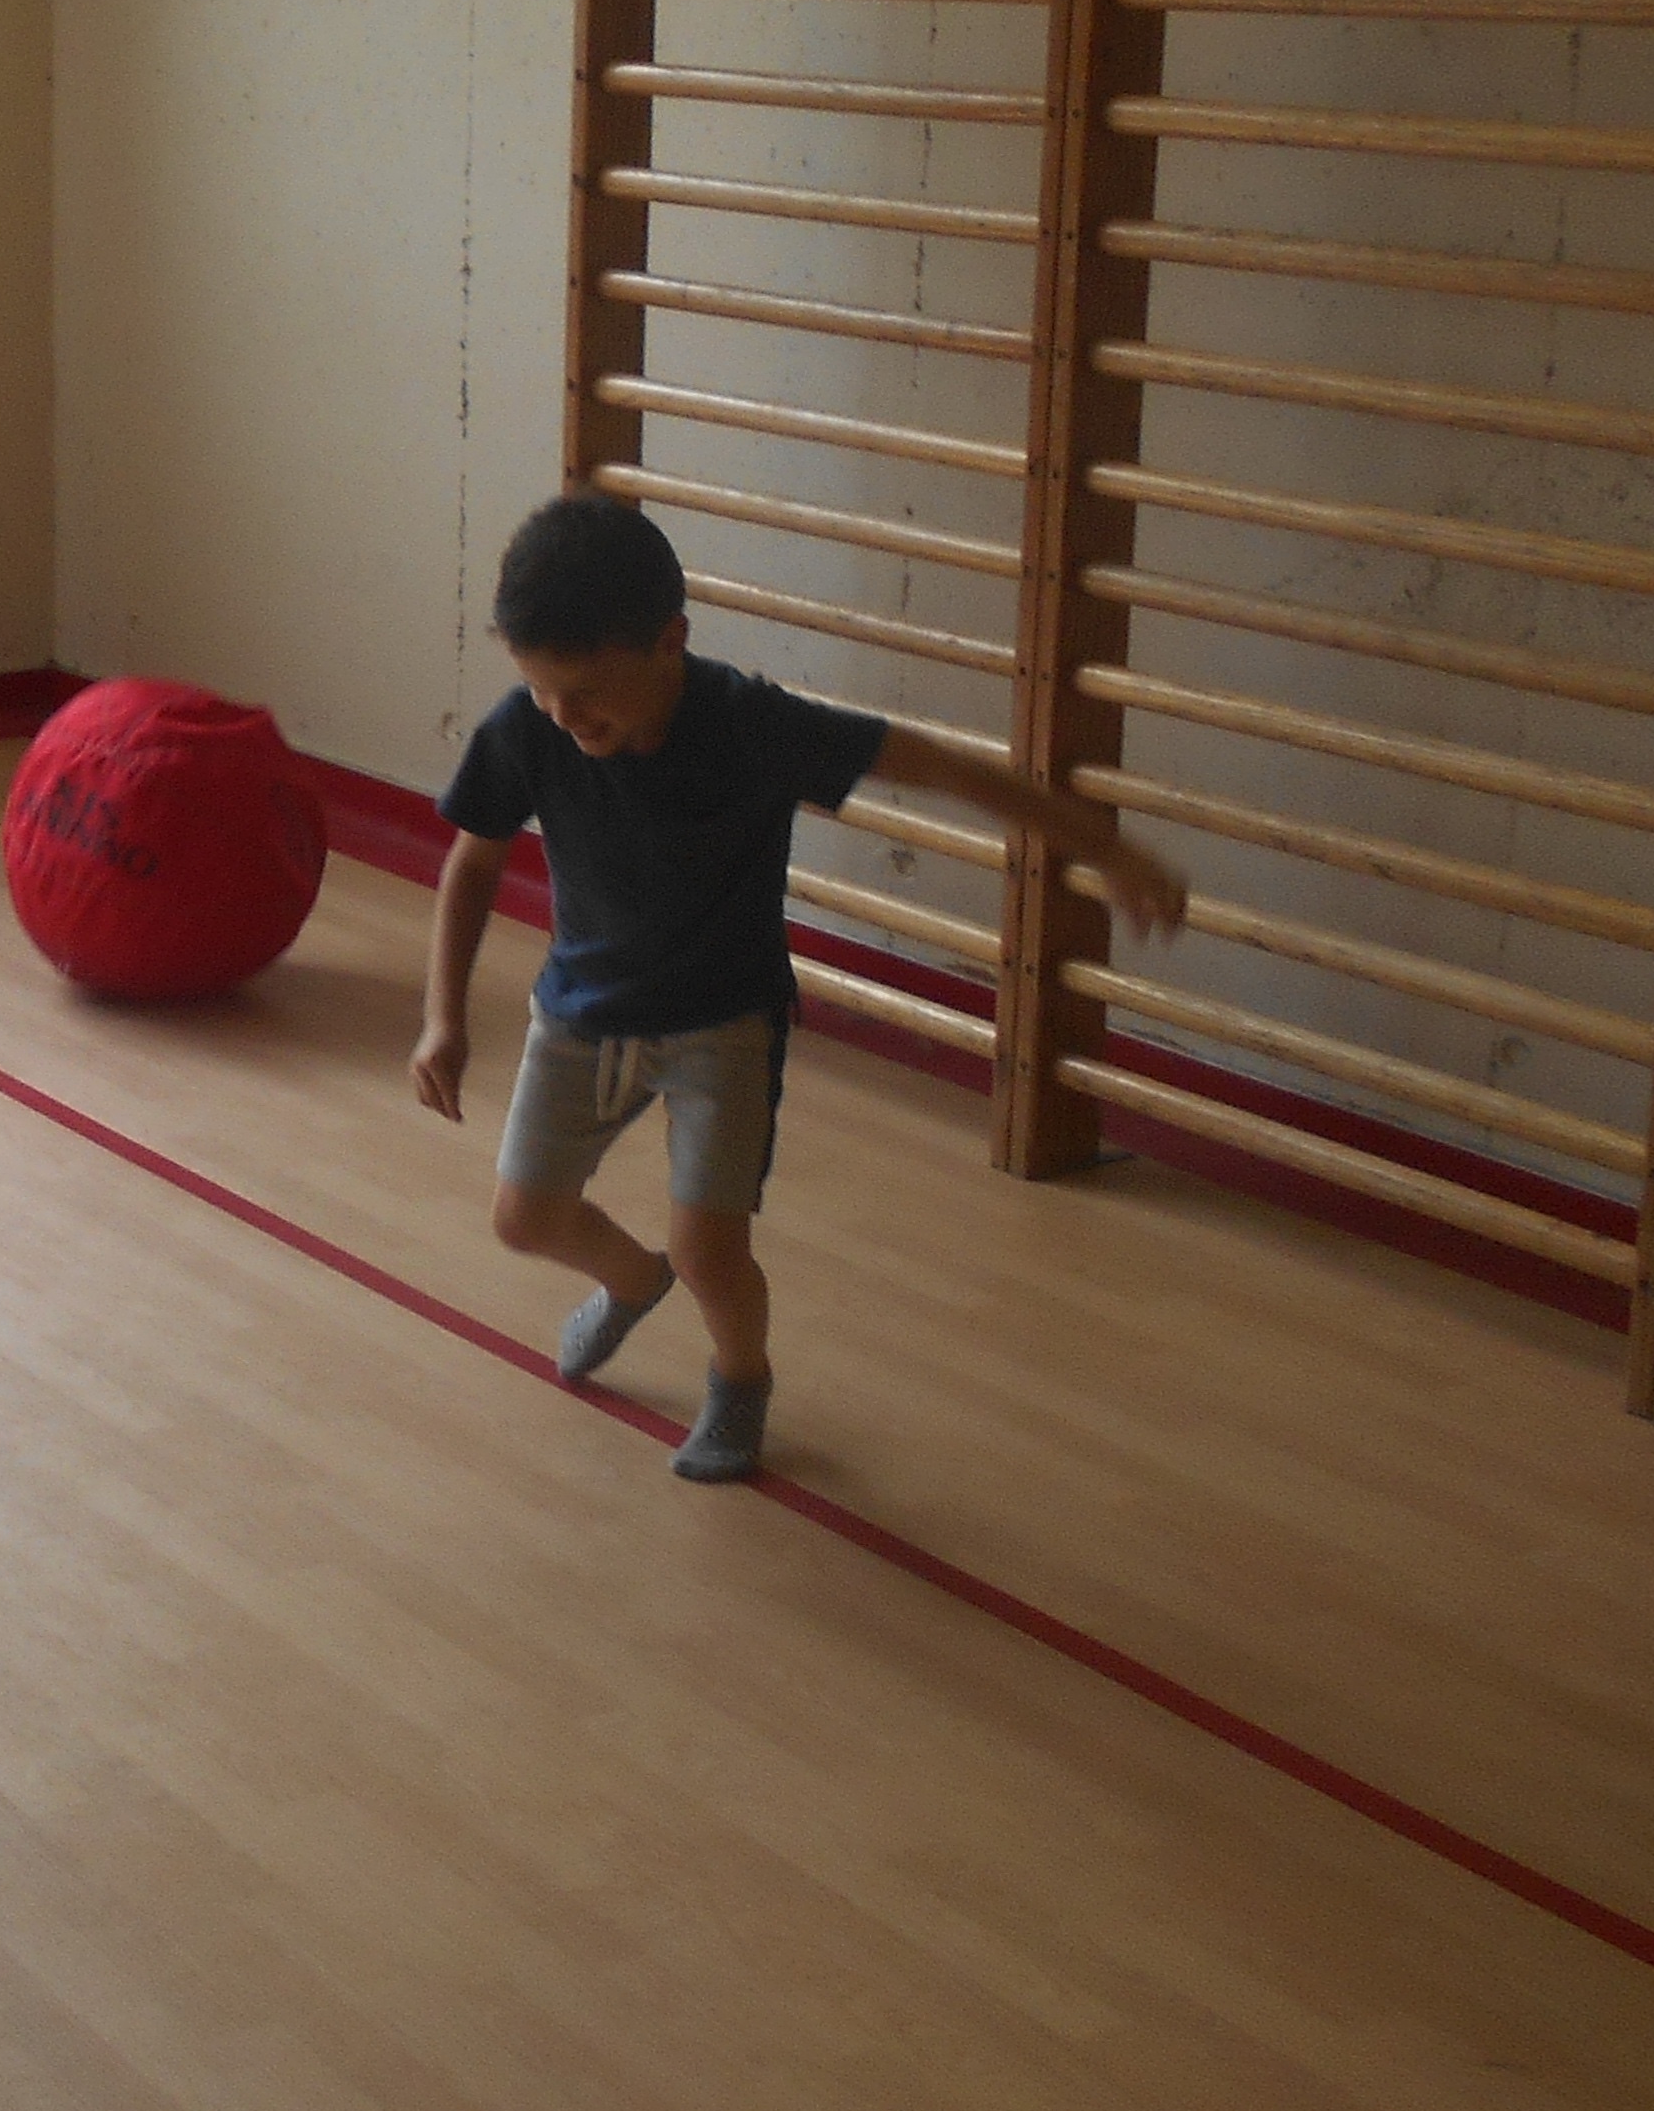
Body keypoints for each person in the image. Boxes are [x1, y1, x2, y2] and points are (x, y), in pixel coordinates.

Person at [408, 487, 1186, 1486]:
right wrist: (442, 1019)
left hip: (721, 1028)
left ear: (670, 640)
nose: (565, 717)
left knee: (711, 1249)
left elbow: (942, 768)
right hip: (579, 1016)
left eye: (587, 693)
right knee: (523, 1220)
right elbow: (473, 864)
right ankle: (630, 1281)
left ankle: (739, 1379)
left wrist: (1105, 850)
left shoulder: (751, 726)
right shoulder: (529, 729)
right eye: (543, 690)